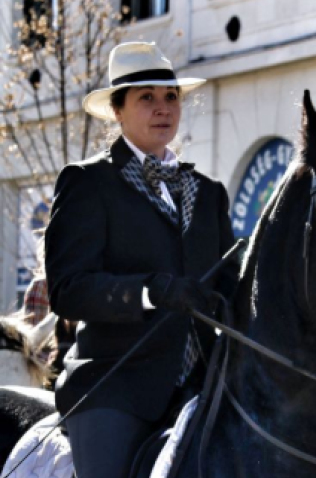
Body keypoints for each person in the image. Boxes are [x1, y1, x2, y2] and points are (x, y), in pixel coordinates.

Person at [44, 42, 239, 478]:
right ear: (117, 110)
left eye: (170, 97)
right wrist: (150, 291)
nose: (162, 108)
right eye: (146, 97)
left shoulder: (209, 193)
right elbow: (68, 289)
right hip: (116, 386)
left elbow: (230, 284)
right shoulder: (88, 183)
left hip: (206, 385)